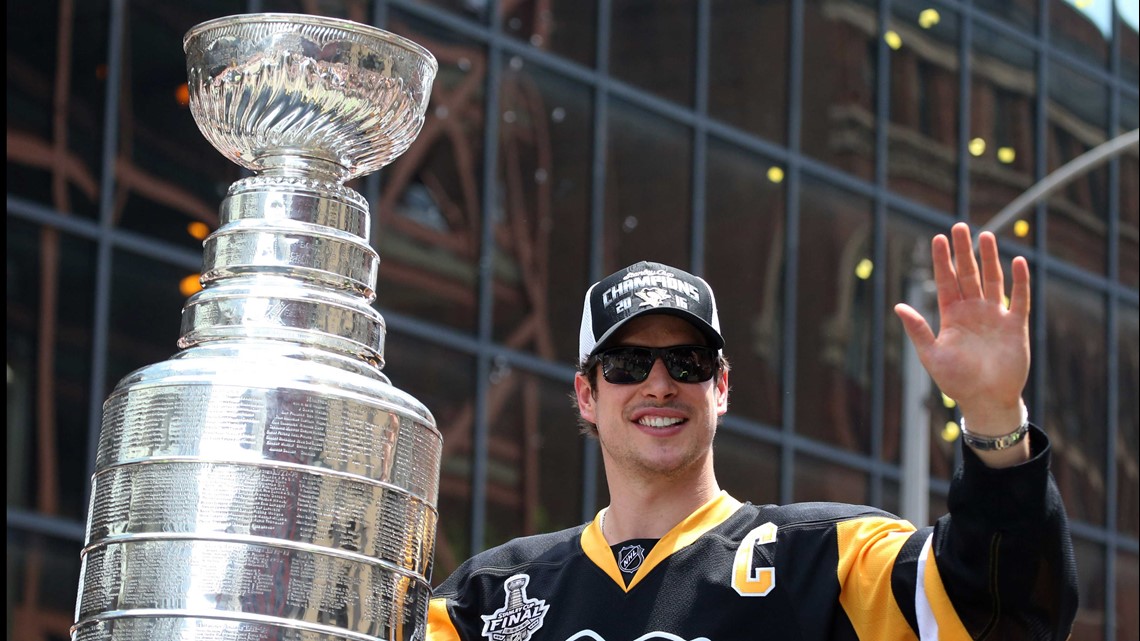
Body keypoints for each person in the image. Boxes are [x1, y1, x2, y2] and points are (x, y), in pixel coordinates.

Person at [425, 223, 1077, 640]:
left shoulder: (829, 558)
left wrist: (994, 415)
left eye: (688, 361)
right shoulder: (488, 597)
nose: (659, 384)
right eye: (627, 364)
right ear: (586, 395)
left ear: (723, 386)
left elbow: (999, 613)